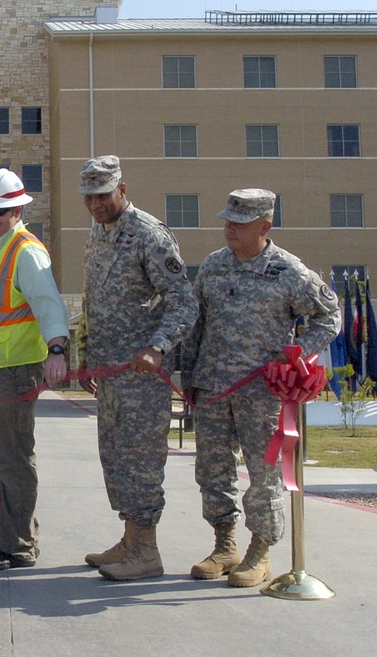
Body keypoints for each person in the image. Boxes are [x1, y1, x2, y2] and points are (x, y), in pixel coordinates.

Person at [181, 189, 340, 587]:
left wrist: (294, 356)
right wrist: (188, 376)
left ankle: (260, 551)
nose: (229, 228)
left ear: (265, 226)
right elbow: (196, 325)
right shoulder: (214, 266)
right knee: (212, 470)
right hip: (213, 388)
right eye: (227, 220)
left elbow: (328, 317)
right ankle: (224, 544)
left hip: (262, 393)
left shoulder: (288, 271)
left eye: (240, 223)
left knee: (263, 472)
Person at [77, 155, 198, 581]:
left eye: (103, 195)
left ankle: (147, 550)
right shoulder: (99, 232)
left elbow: (184, 302)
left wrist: (158, 347)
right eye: (89, 197)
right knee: (115, 458)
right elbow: (94, 298)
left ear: (122, 190)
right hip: (109, 374)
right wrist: (87, 352)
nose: (96, 204)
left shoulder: (149, 235)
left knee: (141, 459)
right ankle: (130, 539)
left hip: (141, 376)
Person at [0, 168, 70, 571]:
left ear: (19, 208)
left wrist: (57, 349)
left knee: (13, 458)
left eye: (2, 210)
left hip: (15, 368)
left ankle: (20, 545)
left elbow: (49, 303)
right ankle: (8, 538)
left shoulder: (25, 250)